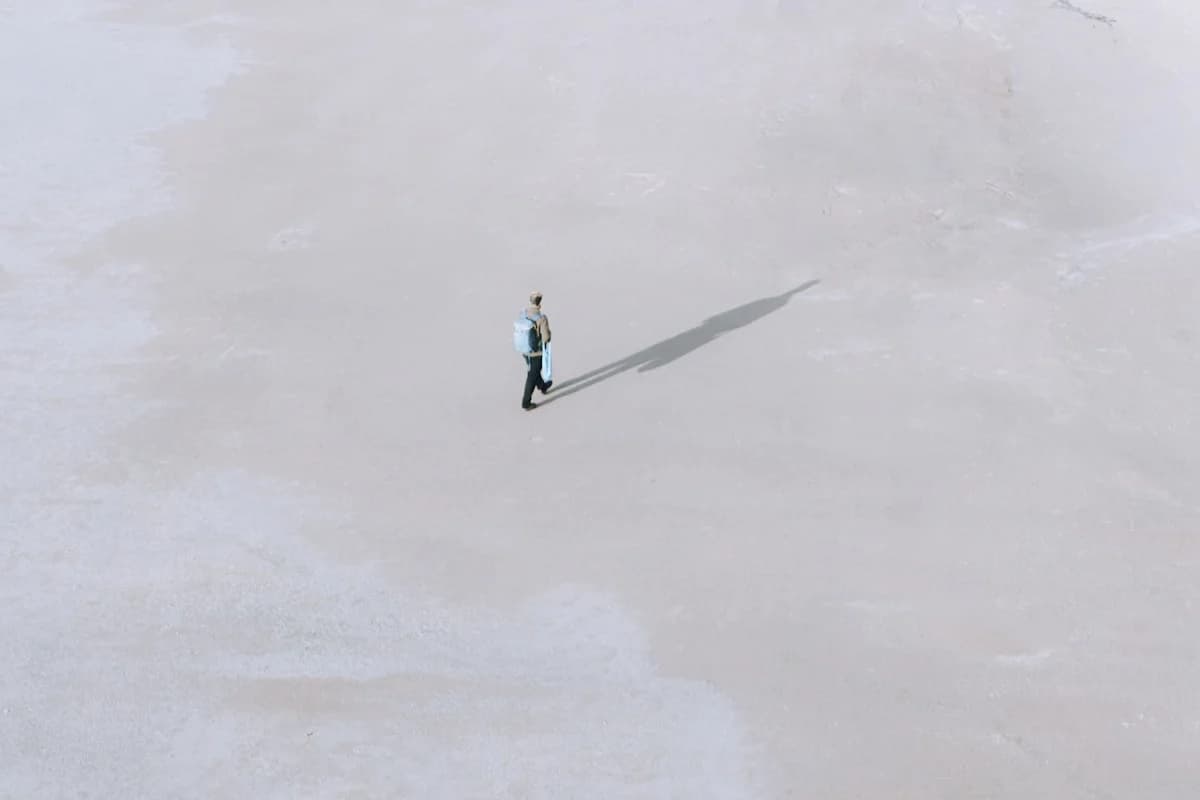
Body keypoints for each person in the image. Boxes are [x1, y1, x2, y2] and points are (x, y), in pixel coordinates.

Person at [521, 291, 553, 410]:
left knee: (534, 370)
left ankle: (542, 386)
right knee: (532, 374)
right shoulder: (541, 318)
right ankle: (526, 402)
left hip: (525, 350)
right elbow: (546, 338)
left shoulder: (524, 314)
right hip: (536, 352)